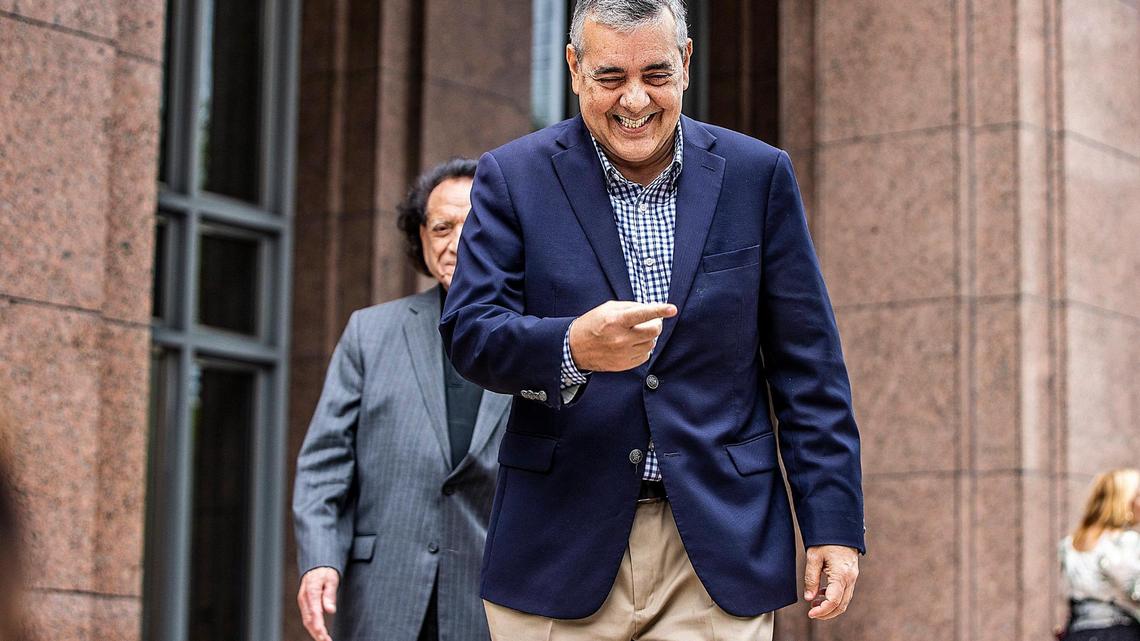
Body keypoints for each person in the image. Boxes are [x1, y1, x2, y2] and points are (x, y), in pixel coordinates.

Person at [439, 1, 864, 639]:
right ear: (575, 69)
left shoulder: (758, 176)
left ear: (686, 64)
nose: (634, 101)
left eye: (656, 75)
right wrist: (571, 346)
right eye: (611, 78)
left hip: (720, 547)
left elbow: (809, 368)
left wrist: (832, 523)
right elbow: (470, 332)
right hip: (558, 546)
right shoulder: (513, 177)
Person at [293, 158, 512, 641]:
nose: (456, 242)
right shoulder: (369, 334)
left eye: (474, 225)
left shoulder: (543, 338)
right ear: (421, 238)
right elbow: (325, 465)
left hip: (499, 604)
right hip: (383, 595)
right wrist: (320, 559)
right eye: (441, 227)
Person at [1059, 469, 1140, 641]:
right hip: (1119, 633)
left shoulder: (1070, 544)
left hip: (1078, 633)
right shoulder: (1124, 542)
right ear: (1125, 501)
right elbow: (1135, 590)